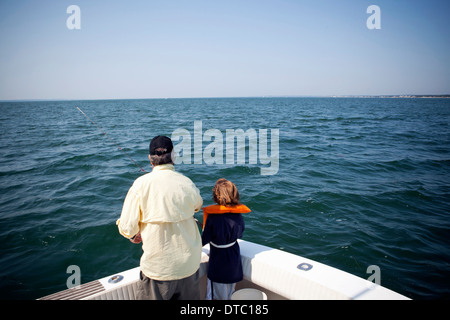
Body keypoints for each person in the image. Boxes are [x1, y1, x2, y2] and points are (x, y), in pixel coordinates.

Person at [116, 135, 203, 300]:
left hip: (158, 270)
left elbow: (127, 228)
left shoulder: (140, 185)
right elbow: (197, 206)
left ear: (150, 159)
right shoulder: (187, 183)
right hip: (189, 266)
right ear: (173, 156)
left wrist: (133, 235)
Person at [201, 178, 251, 300]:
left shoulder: (212, 218)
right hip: (234, 262)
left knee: (216, 296)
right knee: (230, 293)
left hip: (219, 265)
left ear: (216, 196)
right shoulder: (238, 215)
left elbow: (203, 241)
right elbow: (240, 234)